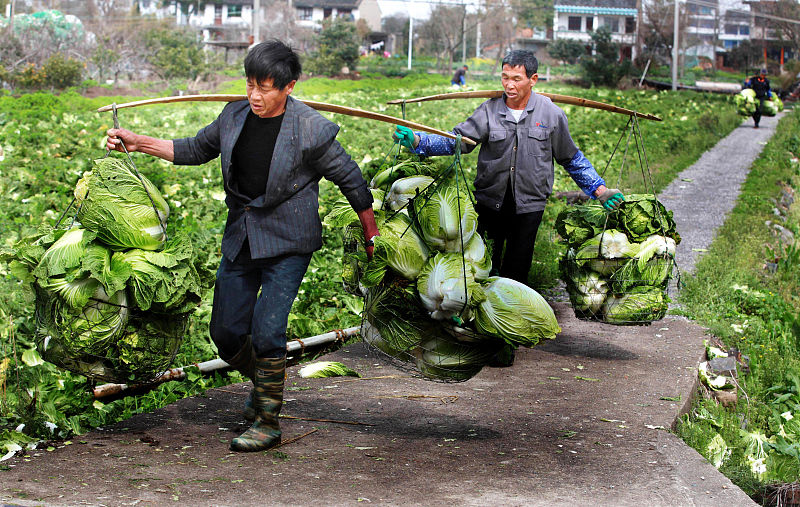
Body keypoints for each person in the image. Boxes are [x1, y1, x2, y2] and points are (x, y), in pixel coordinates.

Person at [106, 39, 379, 452]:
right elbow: (193, 149)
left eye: (266, 87)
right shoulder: (233, 116)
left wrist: (371, 232)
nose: (255, 95)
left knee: (268, 330)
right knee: (226, 332)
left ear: (289, 87)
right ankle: (264, 383)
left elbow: (351, 179)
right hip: (243, 235)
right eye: (251, 84)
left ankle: (267, 420)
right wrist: (138, 142)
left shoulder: (310, 128)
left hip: (289, 240)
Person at [393, 50, 624, 365]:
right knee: (482, 269)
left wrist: (598, 189)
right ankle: (478, 334)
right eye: (505, 77)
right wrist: (419, 142)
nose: (509, 84)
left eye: (517, 78)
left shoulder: (551, 114)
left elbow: (571, 157)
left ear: (533, 79)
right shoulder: (488, 112)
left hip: (529, 207)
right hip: (490, 203)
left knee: (516, 273)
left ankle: (504, 341)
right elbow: (456, 142)